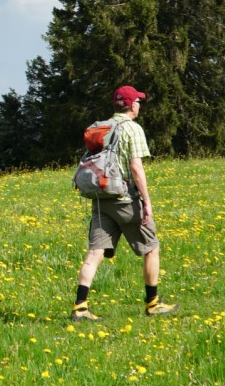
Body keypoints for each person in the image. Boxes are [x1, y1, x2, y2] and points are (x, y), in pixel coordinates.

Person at [71, 85, 177, 321]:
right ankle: (152, 303)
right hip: (125, 198)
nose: (139, 104)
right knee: (152, 246)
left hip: (101, 198)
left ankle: (80, 307)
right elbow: (136, 168)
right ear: (132, 105)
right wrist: (147, 202)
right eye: (138, 101)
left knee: (95, 251)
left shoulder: (104, 126)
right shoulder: (132, 129)